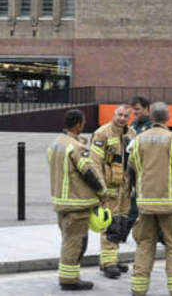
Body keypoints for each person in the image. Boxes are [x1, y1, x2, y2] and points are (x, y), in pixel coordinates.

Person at [127, 103, 172, 296]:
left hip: (145, 204)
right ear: (168, 118)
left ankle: (138, 289)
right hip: (171, 204)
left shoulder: (139, 140)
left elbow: (130, 172)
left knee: (145, 244)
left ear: (151, 116)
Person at [48, 109, 108, 291]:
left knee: (68, 240)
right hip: (76, 204)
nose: (84, 125)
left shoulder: (55, 144)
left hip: (60, 202)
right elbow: (88, 172)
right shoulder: (76, 147)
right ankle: (69, 280)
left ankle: (70, 276)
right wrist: (102, 191)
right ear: (77, 125)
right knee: (76, 242)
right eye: (83, 122)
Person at [89, 104, 136, 279]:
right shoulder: (102, 133)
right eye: (119, 114)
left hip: (125, 186)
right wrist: (99, 188)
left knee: (120, 223)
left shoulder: (131, 134)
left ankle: (112, 259)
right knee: (109, 223)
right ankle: (108, 263)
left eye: (125, 116)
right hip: (108, 187)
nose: (122, 118)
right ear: (114, 114)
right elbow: (94, 163)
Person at [126, 96, 152, 236]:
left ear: (146, 109)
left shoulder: (151, 126)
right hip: (131, 167)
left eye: (137, 109)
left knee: (135, 203)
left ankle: (122, 233)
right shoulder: (135, 123)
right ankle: (160, 235)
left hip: (144, 170)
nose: (134, 112)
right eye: (133, 109)